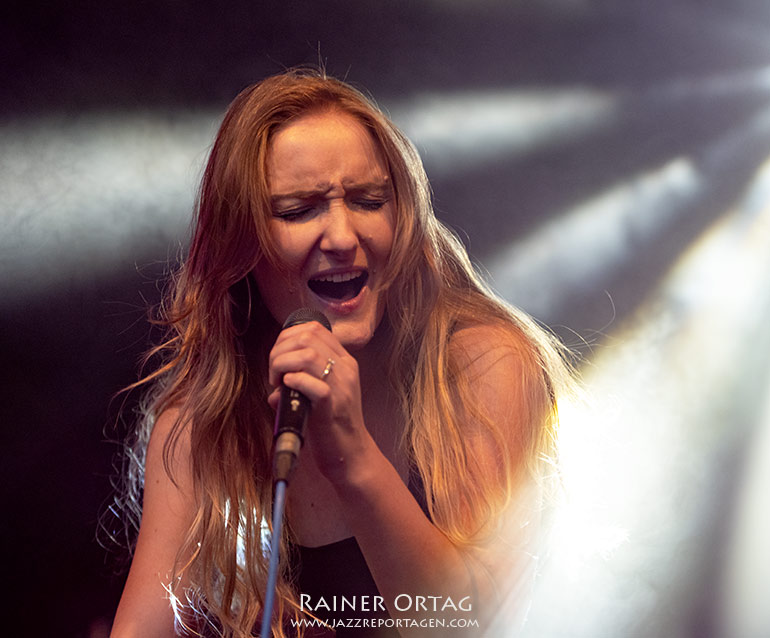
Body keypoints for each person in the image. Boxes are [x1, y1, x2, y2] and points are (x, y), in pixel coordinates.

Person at [109, 68, 574, 638]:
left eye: (368, 200)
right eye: (300, 210)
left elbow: (466, 626)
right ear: (241, 242)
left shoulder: (482, 368)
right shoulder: (202, 424)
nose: (343, 236)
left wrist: (352, 456)